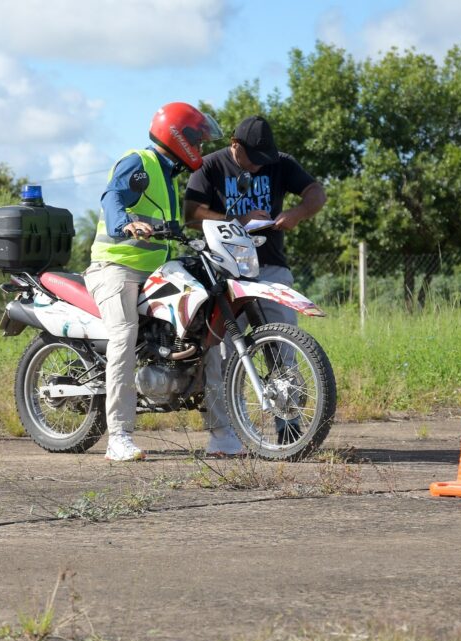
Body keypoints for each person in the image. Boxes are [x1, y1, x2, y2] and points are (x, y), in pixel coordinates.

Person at [85, 102, 223, 462]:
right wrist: (125, 223)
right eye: (199, 141)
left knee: (206, 322)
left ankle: (223, 434)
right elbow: (113, 196)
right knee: (124, 335)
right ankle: (118, 437)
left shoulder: (167, 175)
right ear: (180, 137)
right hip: (115, 268)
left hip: (155, 270)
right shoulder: (140, 163)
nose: (203, 149)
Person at [185, 115, 327, 454]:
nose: (262, 166)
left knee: (283, 348)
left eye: (266, 159)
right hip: (222, 273)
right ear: (235, 145)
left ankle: (290, 430)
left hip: (270, 270)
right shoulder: (209, 166)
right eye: (254, 159)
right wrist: (235, 220)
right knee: (220, 354)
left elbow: (316, 193)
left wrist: (297, 213)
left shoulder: (280, 163)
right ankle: (225, 435)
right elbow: (191, 215)